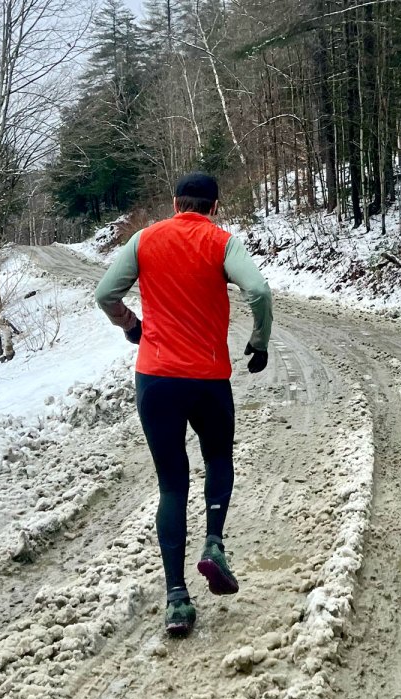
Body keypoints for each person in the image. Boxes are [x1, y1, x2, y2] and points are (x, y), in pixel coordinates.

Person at [94, 173, 274, 637]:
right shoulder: (222, 242)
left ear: (175, 203)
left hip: (156, 379)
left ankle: (176, 599)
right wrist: (260, 340)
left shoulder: (144, 239)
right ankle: (214, 541)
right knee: (218, 457)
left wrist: (132, 326)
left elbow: (104, 294)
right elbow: (258, 290)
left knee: (171, 486)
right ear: (215, 207)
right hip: (208, 379)